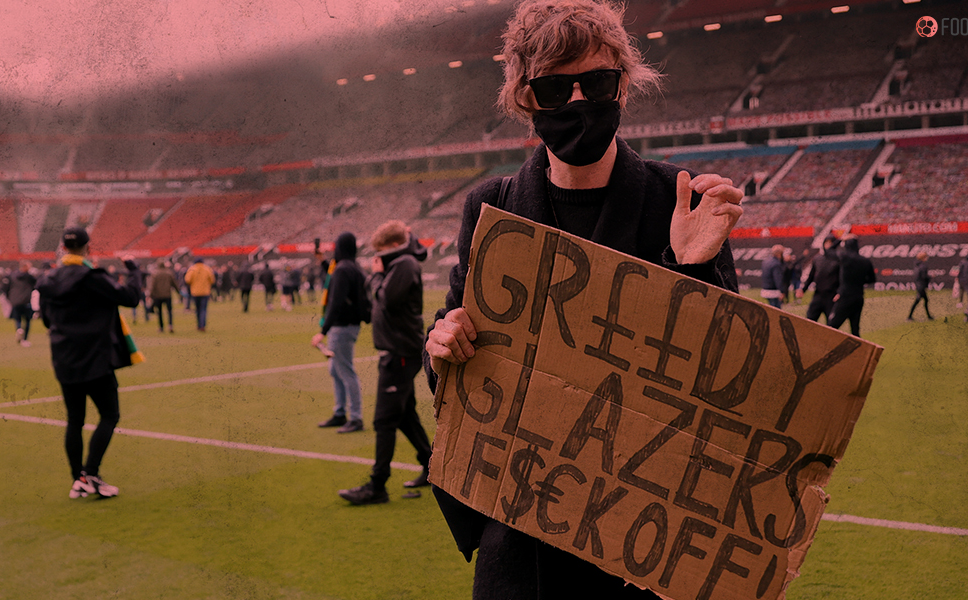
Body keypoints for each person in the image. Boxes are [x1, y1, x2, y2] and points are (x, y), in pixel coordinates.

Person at [422, 1, 742, 596]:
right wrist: (440, 345)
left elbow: (724, 387)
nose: (574, 103)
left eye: (593, 82)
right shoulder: (491, 206)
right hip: (518, 548)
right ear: (524, 99)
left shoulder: (678, 201)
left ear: (623, 84)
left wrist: (692, 269)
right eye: (551, 89)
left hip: (637, 552)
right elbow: (460, 354)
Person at [37, 227, 144, 499]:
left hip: (64, 357)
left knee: (75, 420)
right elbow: (130, 298)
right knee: (109, 414)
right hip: (96, 356)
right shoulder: (92, 277)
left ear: (63, 246)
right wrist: (133, 270)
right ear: (88, 247)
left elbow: (47, 319)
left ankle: (79, 479)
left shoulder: (49, 278)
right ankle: (91, 473)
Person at [339, 221, 433, 505]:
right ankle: (432, 468)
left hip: (400, 352)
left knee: (383, 420)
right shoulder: (402, 263)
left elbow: (388, 299)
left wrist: (378, 276)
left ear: (393, 246)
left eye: (382, 250)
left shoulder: (404, 263)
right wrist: (378, 277)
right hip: (398, 350)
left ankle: (377, 485)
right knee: (404, 415)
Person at [312, 232, 369, 434]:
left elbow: (335, 301)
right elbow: (333, 276)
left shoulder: (343, 270)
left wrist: (322, 331)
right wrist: (322, 261)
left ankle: (355, 418)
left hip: (342, 326)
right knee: (336, 370)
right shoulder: (352, 267)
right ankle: (340, 413)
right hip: (350, 325)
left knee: (345, 371)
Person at [828, 236, 876, 337]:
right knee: (855, 330)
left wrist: (841, 239)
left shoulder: (844, 257)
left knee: (831, 326)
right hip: (858, 297)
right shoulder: (865, 261)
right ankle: (860, 352)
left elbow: (829, 251)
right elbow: (872, 279)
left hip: (845, 296)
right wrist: (859, 281)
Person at [802, 236, 840, 324]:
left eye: (831, 243)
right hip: (818, 294)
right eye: (826, 243)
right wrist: (803, 289)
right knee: (810, 320)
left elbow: (843, 278)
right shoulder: (817, 258)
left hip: (832, 296)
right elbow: (811, 276)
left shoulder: (839, 259)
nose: (828, 245)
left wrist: (839, 292)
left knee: (831, 324)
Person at [5, 261, 39, 347]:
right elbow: (37, 285)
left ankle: (19, 329)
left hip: (15, 301)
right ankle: (24, 339)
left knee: (18, 319)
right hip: (26, 301)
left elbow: (6, 288)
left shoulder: (12, 276)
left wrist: (10, 298)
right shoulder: (29, 277)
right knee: (27, 321)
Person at [184, 258, 216, 332]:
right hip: (205, 292)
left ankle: (199, 325)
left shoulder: (192, 269)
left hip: (195, 292)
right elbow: (212, 280)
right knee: (203, 309)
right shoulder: (207, 269)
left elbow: (187, 280)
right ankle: (202, 325)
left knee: (197, 309)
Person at [149, 261, 177, 333]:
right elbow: (174, 283)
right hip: (167, 294)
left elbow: (153, 285)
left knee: (159, 312)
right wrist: (178, 291)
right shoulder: (169, 272)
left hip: (158, 295)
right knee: (169, 311)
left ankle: (161, 327)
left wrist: (150, 294)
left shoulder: (155, 273)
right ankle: (170, 325)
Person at [907, 252, 934, 321]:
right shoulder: (923, 266)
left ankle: (928, 316)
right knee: (920, 301)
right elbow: (924, 276)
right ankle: (910, 317)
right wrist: (931, 276)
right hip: (921, 286)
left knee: (922, 300)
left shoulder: (917, 265)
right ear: (923, 258)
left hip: (918, 285)